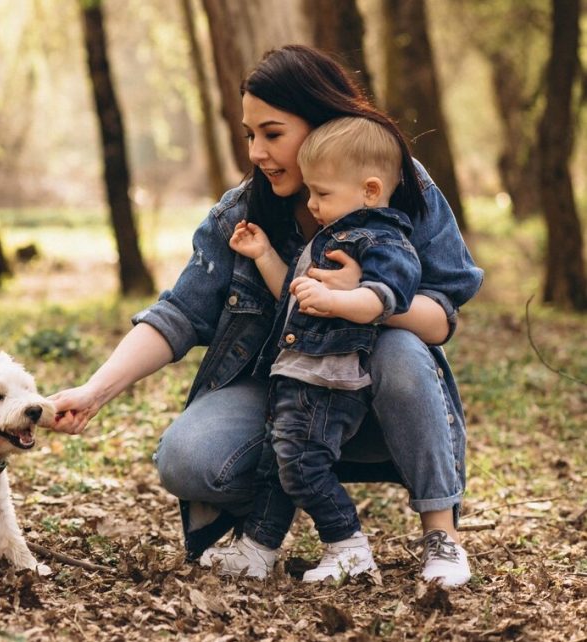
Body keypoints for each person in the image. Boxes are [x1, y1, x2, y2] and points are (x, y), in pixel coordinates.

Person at [48, 45, 483, 588]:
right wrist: (92, 393)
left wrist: (359, 298)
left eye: (272, 134)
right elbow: (180, 314)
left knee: (399, 346)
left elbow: (441, 317)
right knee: (187, 459)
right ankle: (273, 524)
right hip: (290, 391)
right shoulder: (243, 212)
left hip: (381, 403)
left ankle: (441, 536)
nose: (256, 151)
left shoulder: (395, 184)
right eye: (250, 134)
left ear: (323, 123)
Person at [215, 116, 423, 583]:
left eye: (322, 194)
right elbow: (291, 291)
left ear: (370, 190)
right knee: (276, 466)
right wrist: (265, 254)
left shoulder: (383, 240)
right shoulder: (328, 239)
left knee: (303, 466)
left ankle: (347, 545)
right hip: (296, 375)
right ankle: (258, 548)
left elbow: (385, 300)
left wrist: (337, 300)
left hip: (331, 380)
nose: (312, 204)